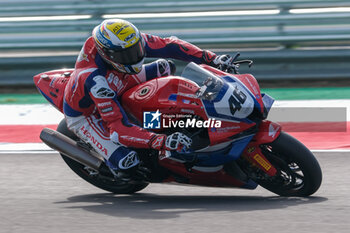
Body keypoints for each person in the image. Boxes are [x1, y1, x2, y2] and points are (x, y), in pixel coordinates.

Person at [63, 19, 233, 180]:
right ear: (108, 55)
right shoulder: (95, 82)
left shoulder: (127, 41)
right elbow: (119, 130)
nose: (135, 56)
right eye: (127, 55)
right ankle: (112, 166)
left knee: (165, 67)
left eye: (136, 49)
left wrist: (212, 58)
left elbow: (170, 45)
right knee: (127, 163)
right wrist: (162, 141)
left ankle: (161, 119)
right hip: (88, 113)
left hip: (120, 79)